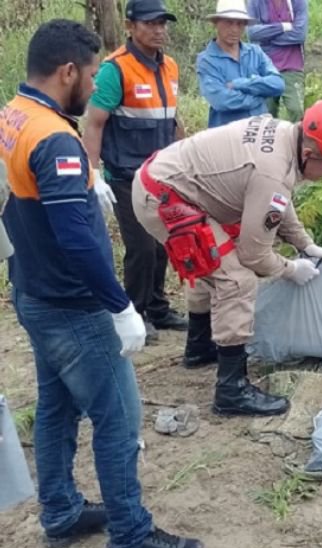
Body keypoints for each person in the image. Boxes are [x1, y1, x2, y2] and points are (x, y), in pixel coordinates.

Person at [0, 19, 202, 548]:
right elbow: (77, 240)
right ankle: (132, 538)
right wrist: (120, 306)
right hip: (71, 305)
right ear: (68, 71)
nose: (94, 81)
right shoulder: (55, 139)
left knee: (57, 408)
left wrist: (85, 183)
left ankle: (61, 513)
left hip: (34, 292)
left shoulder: (14, 116)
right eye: (90, 72)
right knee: (116, 418)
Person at [131, 100, 322, 416]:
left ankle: (200, 346)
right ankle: (231, 389)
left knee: (213, 262)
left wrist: (305, 244)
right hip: (165, 197)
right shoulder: (273, 171)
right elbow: (255, 255)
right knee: (236, 278)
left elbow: (279, 203)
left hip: (169, 182)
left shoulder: (286, 138)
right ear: (311, 153)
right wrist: (291, 268)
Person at [83, 0, 188, 343]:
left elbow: (171, 119)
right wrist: (92, 173)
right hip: (127, 175)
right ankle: (136, 311)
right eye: (150, 23)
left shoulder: (169, 66)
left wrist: (187, 157)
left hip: (163, 174)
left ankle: (158, 306)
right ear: (130, 26)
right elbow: (95, 123)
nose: (159, 30)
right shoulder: (116, 70)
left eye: (162, 23)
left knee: (164, 244)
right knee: (141, 247)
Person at [197, 0, 285, 128]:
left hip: (259, 132)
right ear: (216, 23)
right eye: (229, 22)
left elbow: (278, 84)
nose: (234, 29)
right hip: (227, 135)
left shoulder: (255, 52)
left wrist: (240, 83)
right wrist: (259, 97)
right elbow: (221, 100)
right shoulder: (207, 60)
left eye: (239, 24)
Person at [246, 0, 308, 123]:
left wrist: (267, 37)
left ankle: (298, 141)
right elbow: (252, 33)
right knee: (266, 115)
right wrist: (284, 27)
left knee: (297, 111)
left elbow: (299, 35)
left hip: (291, 65)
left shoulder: (298, 2)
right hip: (264, 67)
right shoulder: (255, 2)